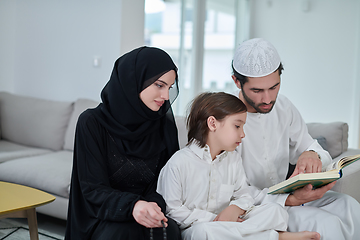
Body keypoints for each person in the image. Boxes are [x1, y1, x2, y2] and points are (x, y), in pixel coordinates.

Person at [231, 38, 360, 239]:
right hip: (258, 207)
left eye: (274, 87)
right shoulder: (225, 118)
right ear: (237, 81)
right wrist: (289, 200)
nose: (267, 99)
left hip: (291, 196)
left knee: (349, 205)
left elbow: (312, 146)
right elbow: (232, 191)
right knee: (326, 223)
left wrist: (311, 154)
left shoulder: (283, 107)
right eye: (257, 91)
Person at [157, 92, 320, 240]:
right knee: (204, 233)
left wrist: (235, 208)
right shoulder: (179, 162)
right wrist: (214, 219)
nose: (243, 134)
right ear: (212, 124)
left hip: (233, 222)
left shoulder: (233, 159)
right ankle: (276, 237)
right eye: (237, 126)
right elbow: (172, 210)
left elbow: (244, 195)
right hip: (199, 227)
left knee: (275, 211)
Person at [65, 46, 182, 240]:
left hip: (149, 212)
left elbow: (168, 181)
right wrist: (133, 206)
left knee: (169, 231)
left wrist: (151, 206)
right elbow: (92, 188)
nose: (166, 96)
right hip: (102, 215)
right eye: (159, 85)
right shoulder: (92, 122)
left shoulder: (164, 125)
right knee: (119, 234)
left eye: (169, 88)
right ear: (133, 81)